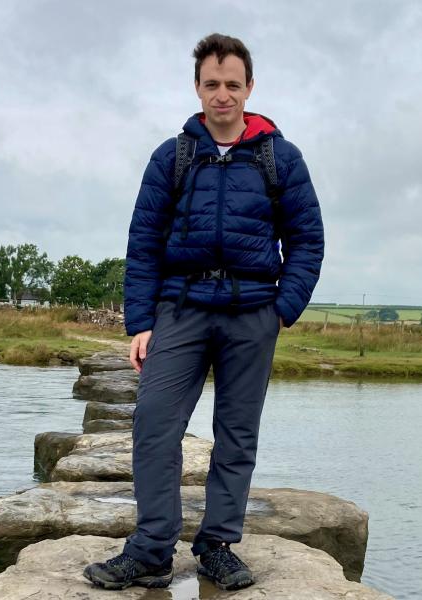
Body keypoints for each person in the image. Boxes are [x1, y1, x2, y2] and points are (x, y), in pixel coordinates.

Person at [83, 33, 324, 591]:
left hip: (252, 314)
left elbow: (307, 240)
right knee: (154, 425)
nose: (222, 95)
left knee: (237, 435)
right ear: (197, 87)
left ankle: (217, 545)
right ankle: (150, 550)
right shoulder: (172, 157)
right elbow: (143, 243)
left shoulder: (279, 158)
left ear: (249, 88)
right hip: (181, 310)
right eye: (212, 84)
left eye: (232, 85)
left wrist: (282, 310)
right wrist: (140, 323)